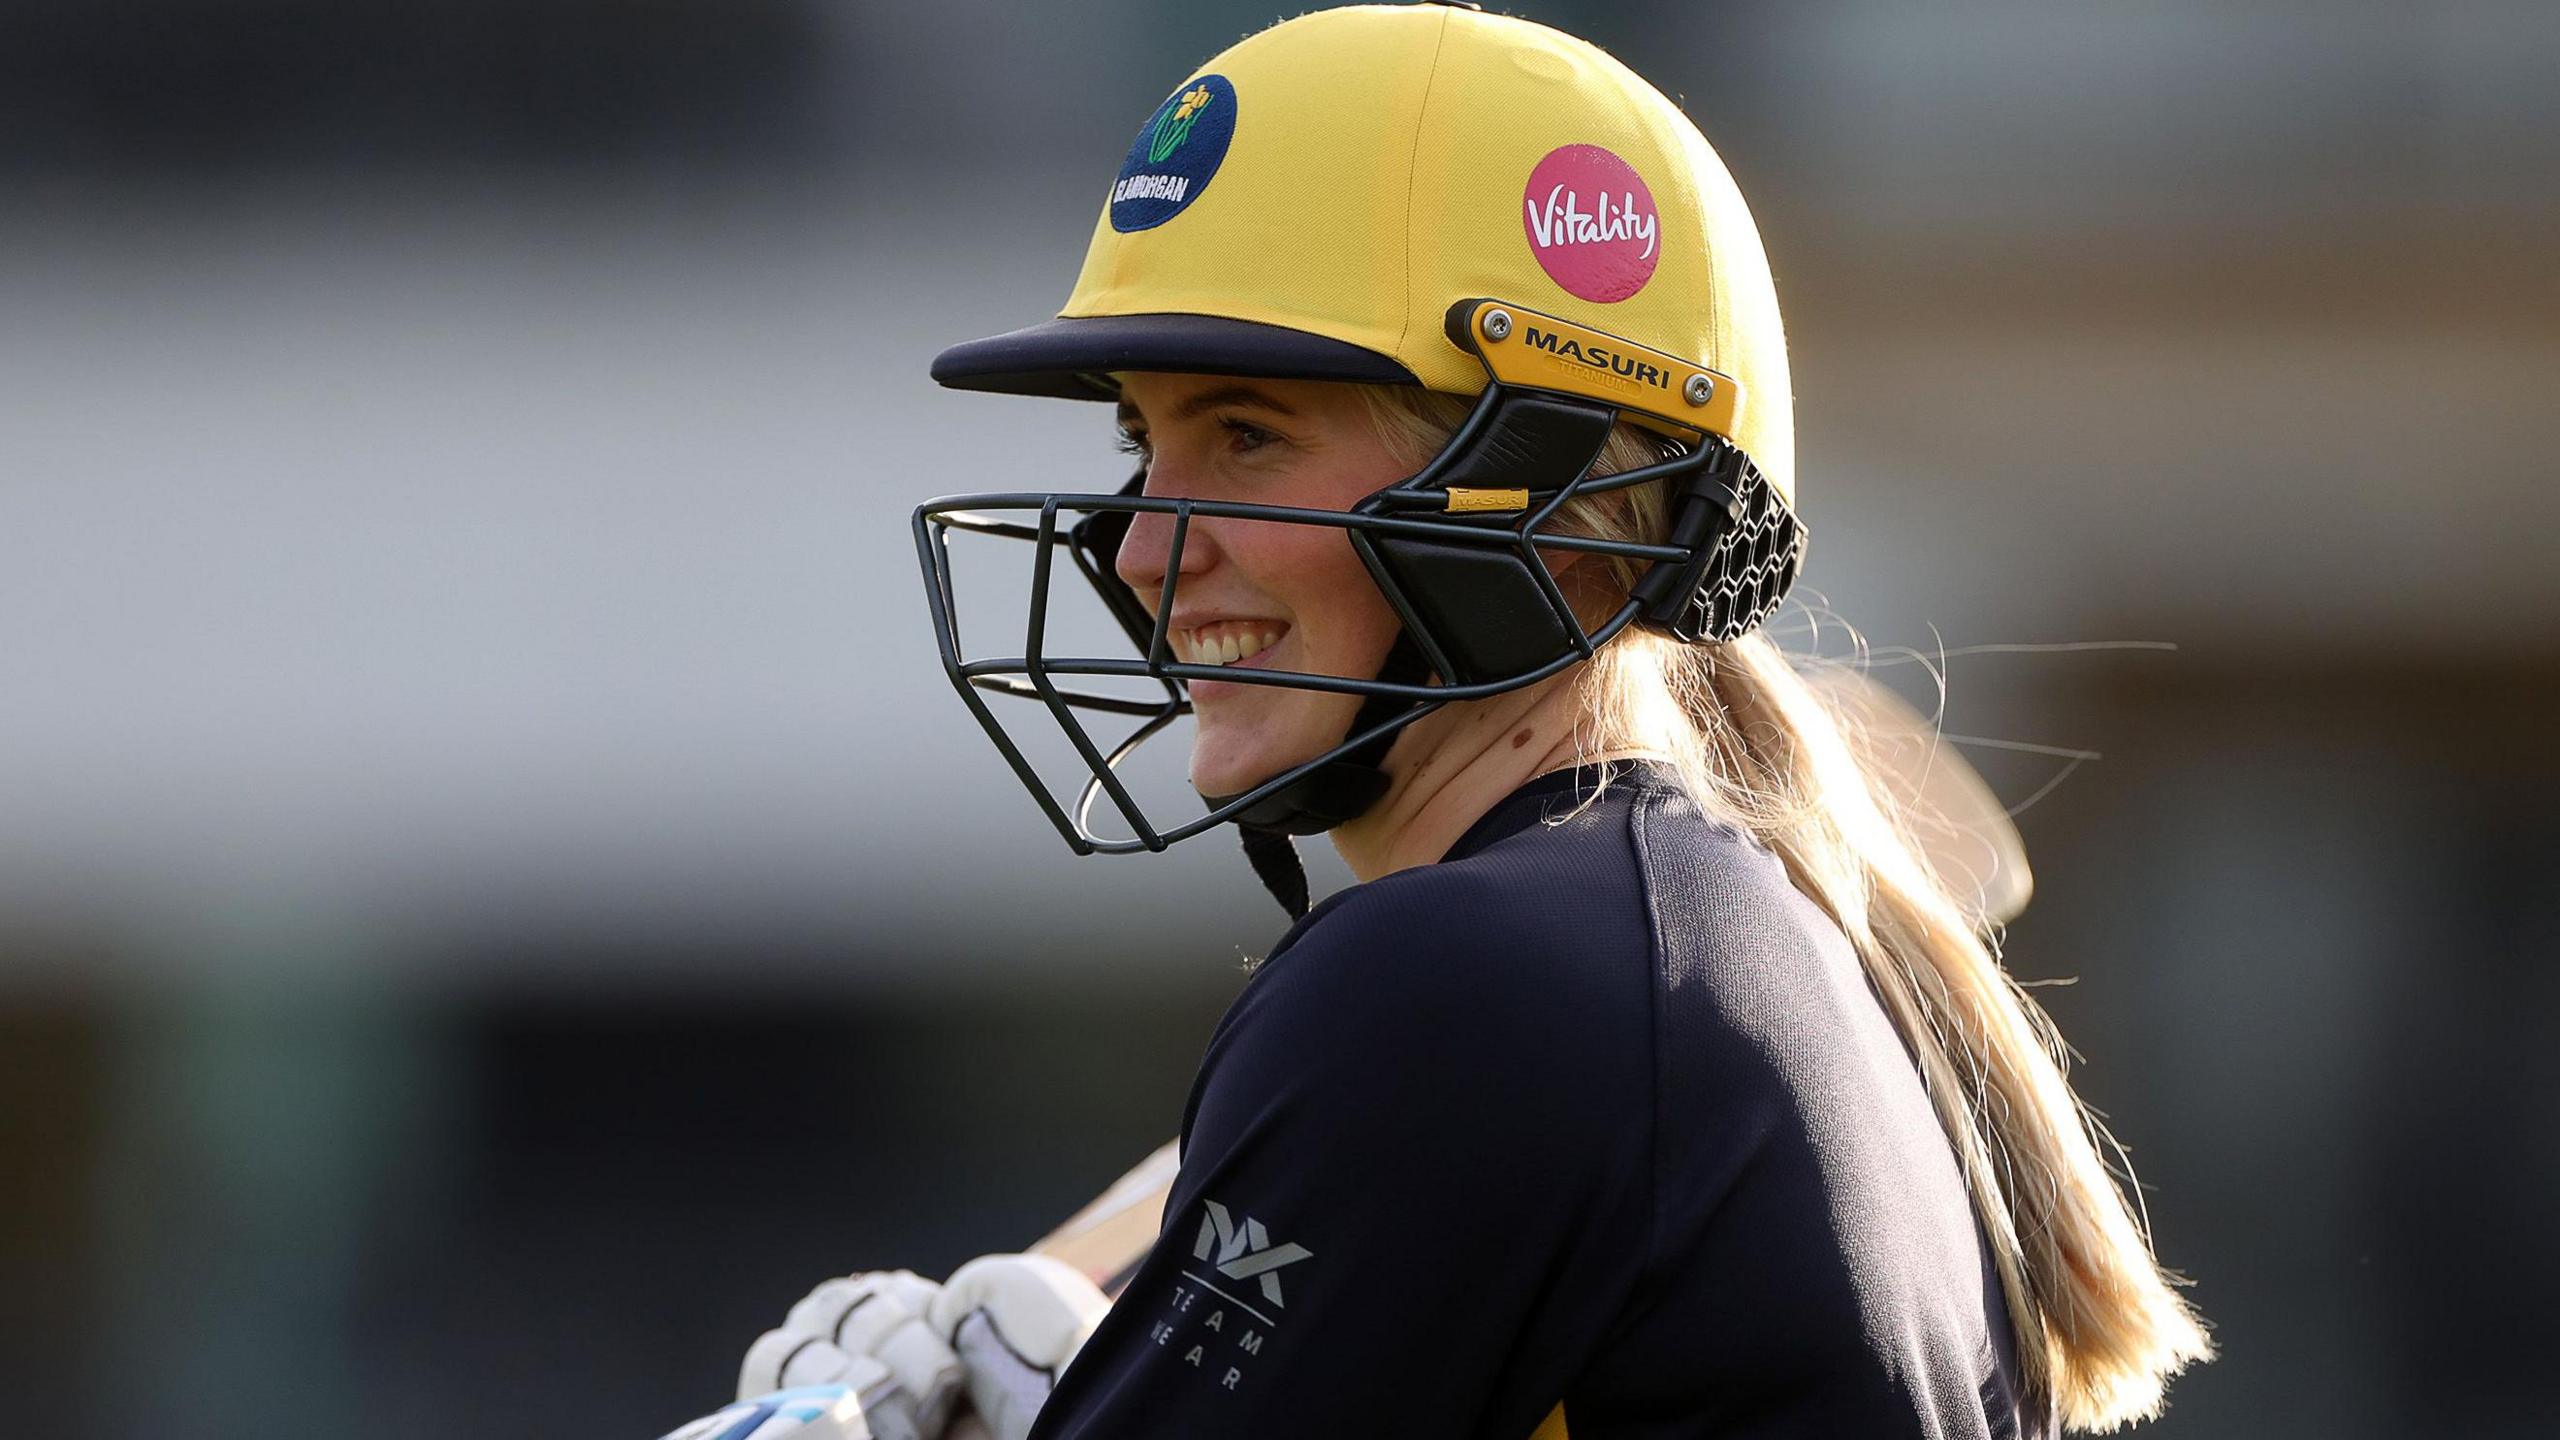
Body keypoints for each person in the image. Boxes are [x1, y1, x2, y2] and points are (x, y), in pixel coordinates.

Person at [666, 5, 2212, 1437]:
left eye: (1250, 435)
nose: (1145, 549)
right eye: (1148, 441)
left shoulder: (1468, 987)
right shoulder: (1713, 956)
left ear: (1562, 498)